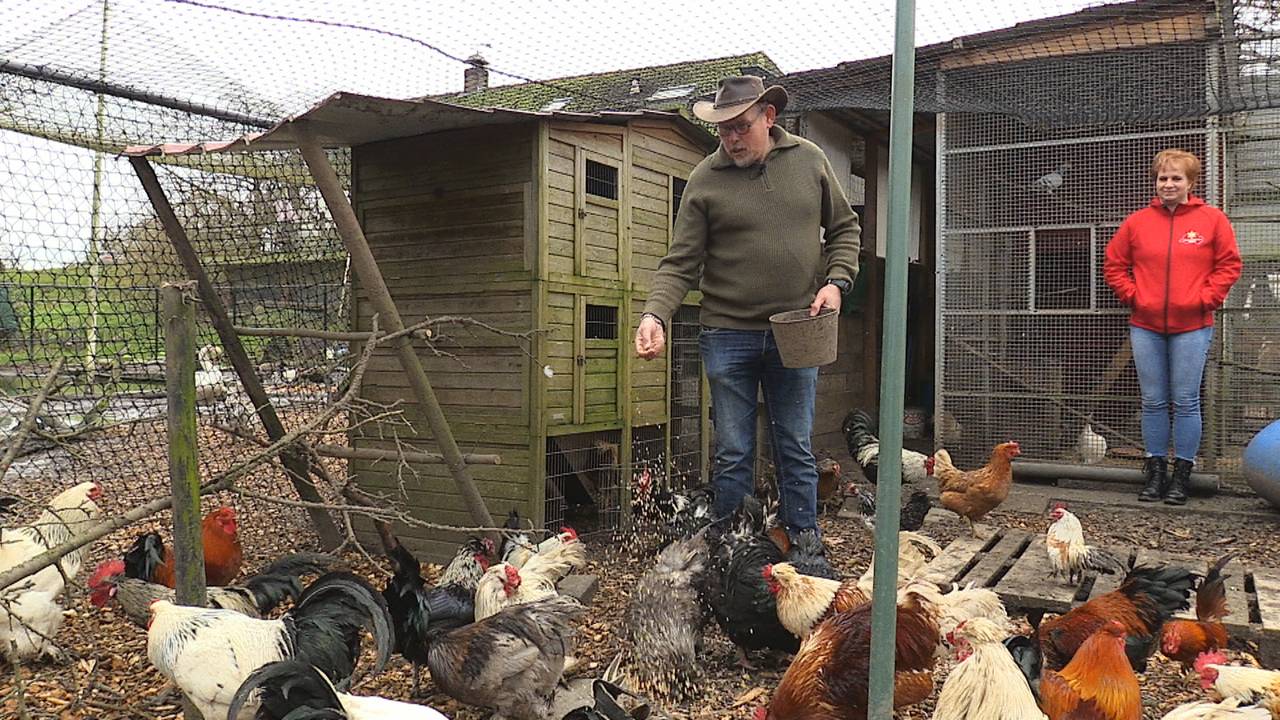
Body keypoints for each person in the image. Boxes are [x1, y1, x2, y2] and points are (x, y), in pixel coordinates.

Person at [633, 76, 861, 563]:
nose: (731, 139)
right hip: (727, 333)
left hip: (797, 331)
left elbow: (844, 228)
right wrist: (655, 313)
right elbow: (680, 262)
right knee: (733, 450)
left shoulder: (809, 161)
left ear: (768, 118)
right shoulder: (705, 179)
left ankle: (805, 545)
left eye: (740, 127)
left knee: (794, 446)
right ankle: (729, 554)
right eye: (723, 131)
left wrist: (835, 282)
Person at [1104, 148, 1241, 505]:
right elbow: (1114, 264)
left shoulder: (1212, 220)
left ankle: (1182, 475)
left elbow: (1229, 265)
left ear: (1190, 183)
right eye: (1163, 178)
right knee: (1152, 400)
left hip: (1192, 325)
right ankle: (1155, 472)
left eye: (1176, 178)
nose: (1168, 184)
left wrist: (1205, 299)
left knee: (1184, 400)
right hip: (1146, 324)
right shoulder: (1137, 222)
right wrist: (1134, 296)